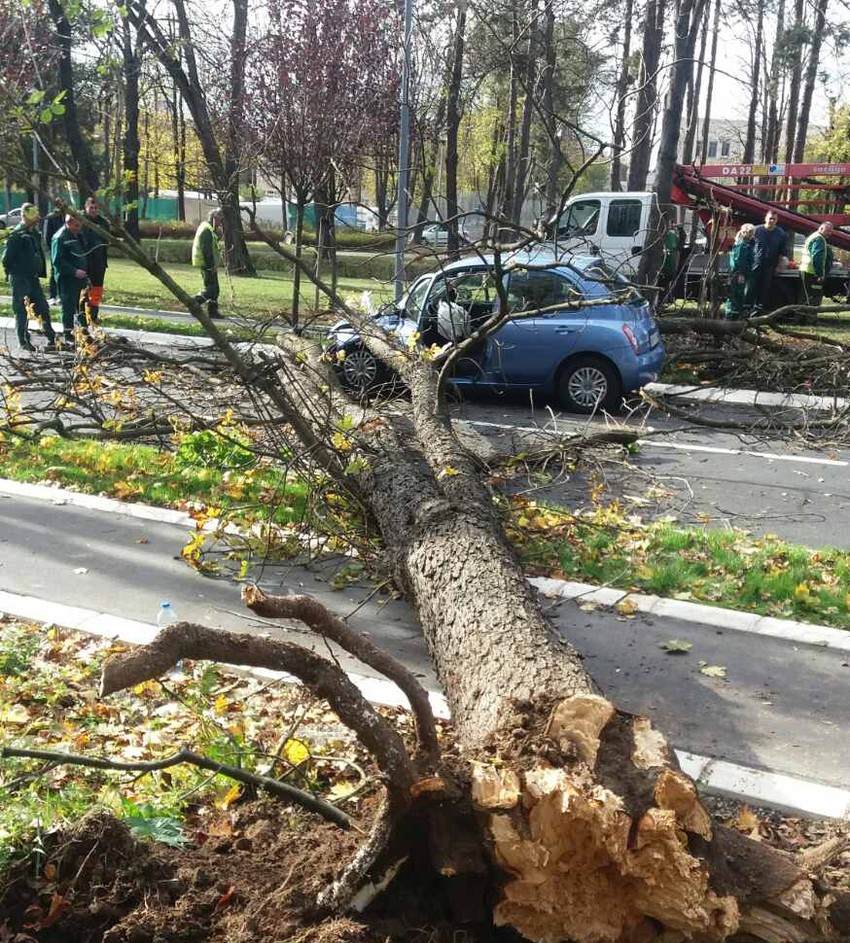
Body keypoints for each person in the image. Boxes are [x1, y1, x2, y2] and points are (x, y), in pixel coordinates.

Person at [1, 203, 58, 352]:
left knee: (43, 308)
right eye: (34, 215)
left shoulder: (34, 234)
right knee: (22, 310)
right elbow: (6, 259)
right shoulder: (17, 234)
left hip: (33, 278)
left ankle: (52, 339)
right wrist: (14, 272)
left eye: (38, 214)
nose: (38, 217)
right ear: (25, 216)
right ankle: (23, 341)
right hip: (20, 278)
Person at [51, 213, 89, 344]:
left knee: (82, 306)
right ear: (68, 222)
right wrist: (74, 271)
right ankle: (68, 335)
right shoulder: (59, 237)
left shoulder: (78, 235)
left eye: (80, 224)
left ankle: (84, 333)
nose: (79, 227)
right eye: (76, 225)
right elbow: (57, 261)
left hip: (81, 278)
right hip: (67, 279)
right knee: (68, 307)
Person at [79, 196, 109, 325]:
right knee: (84, 291)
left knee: (96, 291)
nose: (93, 210)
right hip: (84, 262)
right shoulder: (80, 221)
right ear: (86, 208)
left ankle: (93, 315)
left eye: (96, 208)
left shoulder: (103, 223)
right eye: (91, 207)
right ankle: (82, 317)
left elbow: (107, 240)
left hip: (99, 262)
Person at [749, 211, 787, 312]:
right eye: (770, 218)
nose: (771, 221)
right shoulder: (756, 230)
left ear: (776, 221)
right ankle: (747, 311)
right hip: (755, 265)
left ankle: (759, 312)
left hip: (770, 267)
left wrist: (778, 267)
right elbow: (748, 246)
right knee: (751, 289)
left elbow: (781, 252)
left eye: (774, 219)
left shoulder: (781, 234)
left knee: (764, 290)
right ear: (765, 218)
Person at [192, 210, 224, 319]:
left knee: (215, 289)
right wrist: (211, 265)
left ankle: (213, 311)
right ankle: (194, 302)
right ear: (214, 218)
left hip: (209, 264)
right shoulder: (206, 230)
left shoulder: (210, 230)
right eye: (219, 219)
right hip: (207, 264)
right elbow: (207, 251)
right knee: (211, 289)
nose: (220, 222)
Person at [800, 221, 835, 308]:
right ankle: (810, 321)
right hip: (812, 273)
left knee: (805, 298)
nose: (829, 234)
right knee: (814, 298)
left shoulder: (813, 236)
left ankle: (800, 319)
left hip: (806, 270)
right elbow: (817, 258)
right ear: (821, 228)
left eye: (831, 231)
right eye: (828, 231)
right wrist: (820, 274)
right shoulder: (819, 239)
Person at [725, 224, 755, 319]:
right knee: (735, 295)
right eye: (750, 232)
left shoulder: (746, 244)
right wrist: (741, 274)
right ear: (744, 232)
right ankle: (730, 317)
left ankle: (736, 316)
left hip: (740, 273)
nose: (752, 235)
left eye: (752, 232)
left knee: (739, 295)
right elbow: (740, 260)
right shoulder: (741, 245)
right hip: (737, 274)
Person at [42, 197, 64, 305]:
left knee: (64, 273)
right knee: (54, 271)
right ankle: (53, 295)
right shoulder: (51, 217)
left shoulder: (68, 216)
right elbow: (47, 236)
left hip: (67, 250)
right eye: (59, 204)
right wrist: (53, 248)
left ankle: (62, 295)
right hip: (55, 249)